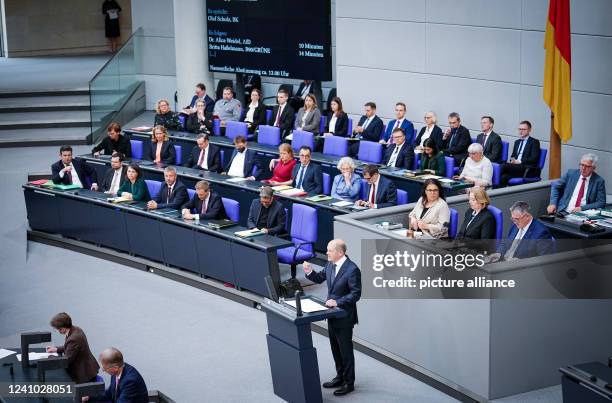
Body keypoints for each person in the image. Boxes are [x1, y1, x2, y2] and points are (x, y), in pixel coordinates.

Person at [303, 239, 361, 396]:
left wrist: (338, 302)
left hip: (344, 316)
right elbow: (319, 277)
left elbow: (356, 294)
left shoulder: (352, 269)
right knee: (335, 348)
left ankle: (349, 382)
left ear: (340, 253)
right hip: (331, 314)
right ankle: (340, 377)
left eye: (329, 250)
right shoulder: (330, 264)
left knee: (346, 351)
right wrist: (309, 271)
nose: (326, 252)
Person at [45, 312, 99, 384]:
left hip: (83, 374)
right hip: (87, 367)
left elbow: (66, 361)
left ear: (63, 327)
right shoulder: (75, 329)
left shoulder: (73, 338)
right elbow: (71, 348)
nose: (58, 331)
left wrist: (49, 357)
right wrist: (56, 349)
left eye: (58, 329)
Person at [83, 347, 148, 402]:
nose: (103, 370)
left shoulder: (130, 381)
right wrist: (89, 398)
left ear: (115, 368)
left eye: (105, 368)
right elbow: (109, 393)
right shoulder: (116, 372)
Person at [499, 121, 542, 187]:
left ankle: (487, 183)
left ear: (529, 130)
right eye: (520, 129)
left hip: (526, 169)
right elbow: (513, 156)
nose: (521, 131)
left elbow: (534, 158)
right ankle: (497, 195)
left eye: (524, 129)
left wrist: (519, 161)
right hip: (516, 168)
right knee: (503, 177)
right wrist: (512, 160)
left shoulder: (534, 142)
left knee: (503, 166)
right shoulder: (517, 142)